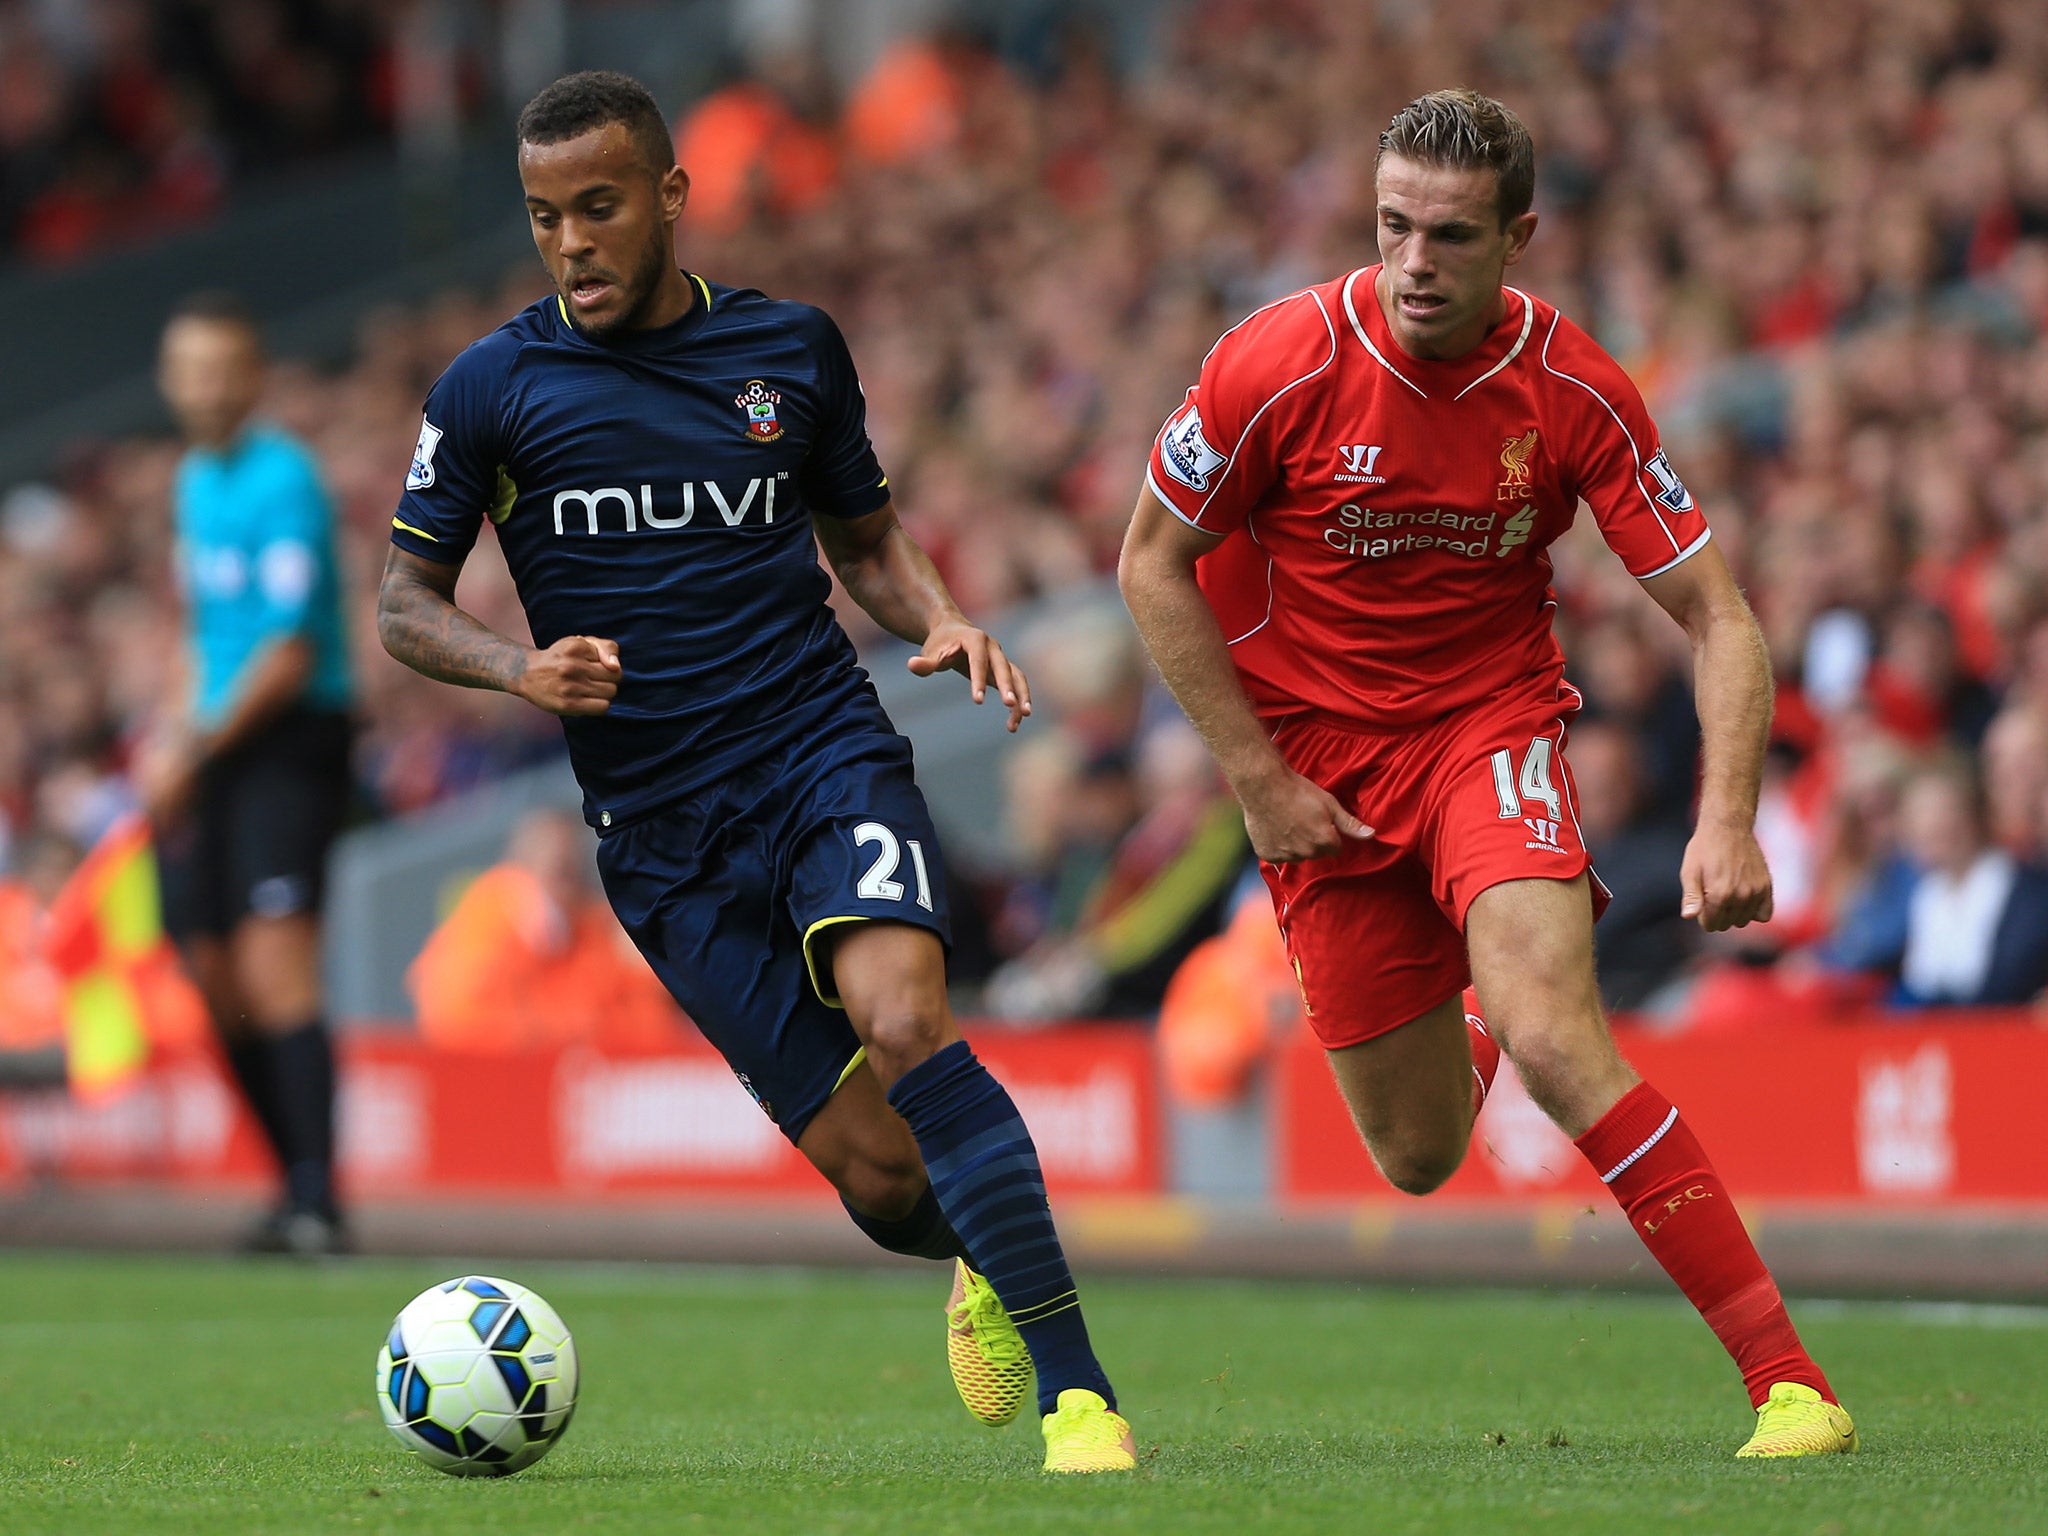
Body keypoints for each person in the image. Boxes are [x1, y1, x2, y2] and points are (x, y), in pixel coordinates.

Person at [374, 71, 1132, 1474]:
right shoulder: (490, 389)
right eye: (544, 216)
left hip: (815, 750)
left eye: (599, 206)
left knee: (906, 1021)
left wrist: (943, 615)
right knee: (883, 1177)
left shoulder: (788, 349)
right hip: (659, 835)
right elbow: (403, 606)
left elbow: (866, 541)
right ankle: (979, 1248)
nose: (572, 242)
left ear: (670, 196)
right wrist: (516, 669)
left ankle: (1079, 1399)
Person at [1119, 89, 1857, 1458]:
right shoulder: (1271, 362)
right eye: (1393, 225)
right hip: (1315, 779)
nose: (1414, 262)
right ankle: (1471, 1019)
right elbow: (1149, 565)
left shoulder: (1574, 389)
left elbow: (1719, 617)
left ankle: (1789, 1385)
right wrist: (1257, 782)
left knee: (1557, 1037)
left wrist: (1726, 818)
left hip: (1486, 732)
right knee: (1415, 1158)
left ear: (1516, 238)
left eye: (1451, 235)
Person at [141, 292, 355, 1256]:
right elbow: (203, 636)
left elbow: (287, 653)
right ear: (169, 380)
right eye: (192, 370)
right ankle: (289, 1188)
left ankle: (318, 1201)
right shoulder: (192, 479)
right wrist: (168, 738)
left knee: (274, 967)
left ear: (254, 375)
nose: (208, 387)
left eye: (225, 369)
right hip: (214, 741)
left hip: (287, 739)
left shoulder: (284, 477)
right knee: (210, 970)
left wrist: (192, 751)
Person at [407, 806, 685, 1051]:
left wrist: (642, 974)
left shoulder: (595, 929)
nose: (569, 880)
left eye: (574, 869)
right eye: (560, 868)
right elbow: (459, 1023)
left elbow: (652, 1034)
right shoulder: (486, 928)